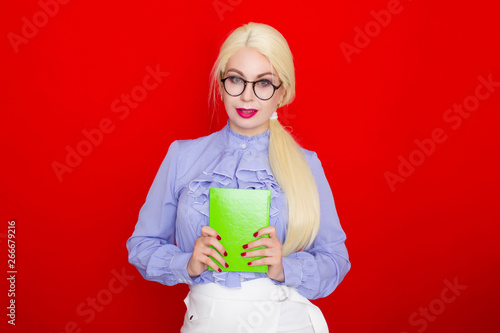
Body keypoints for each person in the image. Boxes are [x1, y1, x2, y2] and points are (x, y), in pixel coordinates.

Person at [126, 22, 350, 332]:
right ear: (221, 85)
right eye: (236, 80)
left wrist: (285, 267)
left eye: (263, 83)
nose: (247, 96)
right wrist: (187, 263)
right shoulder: (181, 156)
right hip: (206, 321)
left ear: (282, 92)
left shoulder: (306, 164)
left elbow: (336, 259)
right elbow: (142, 246)